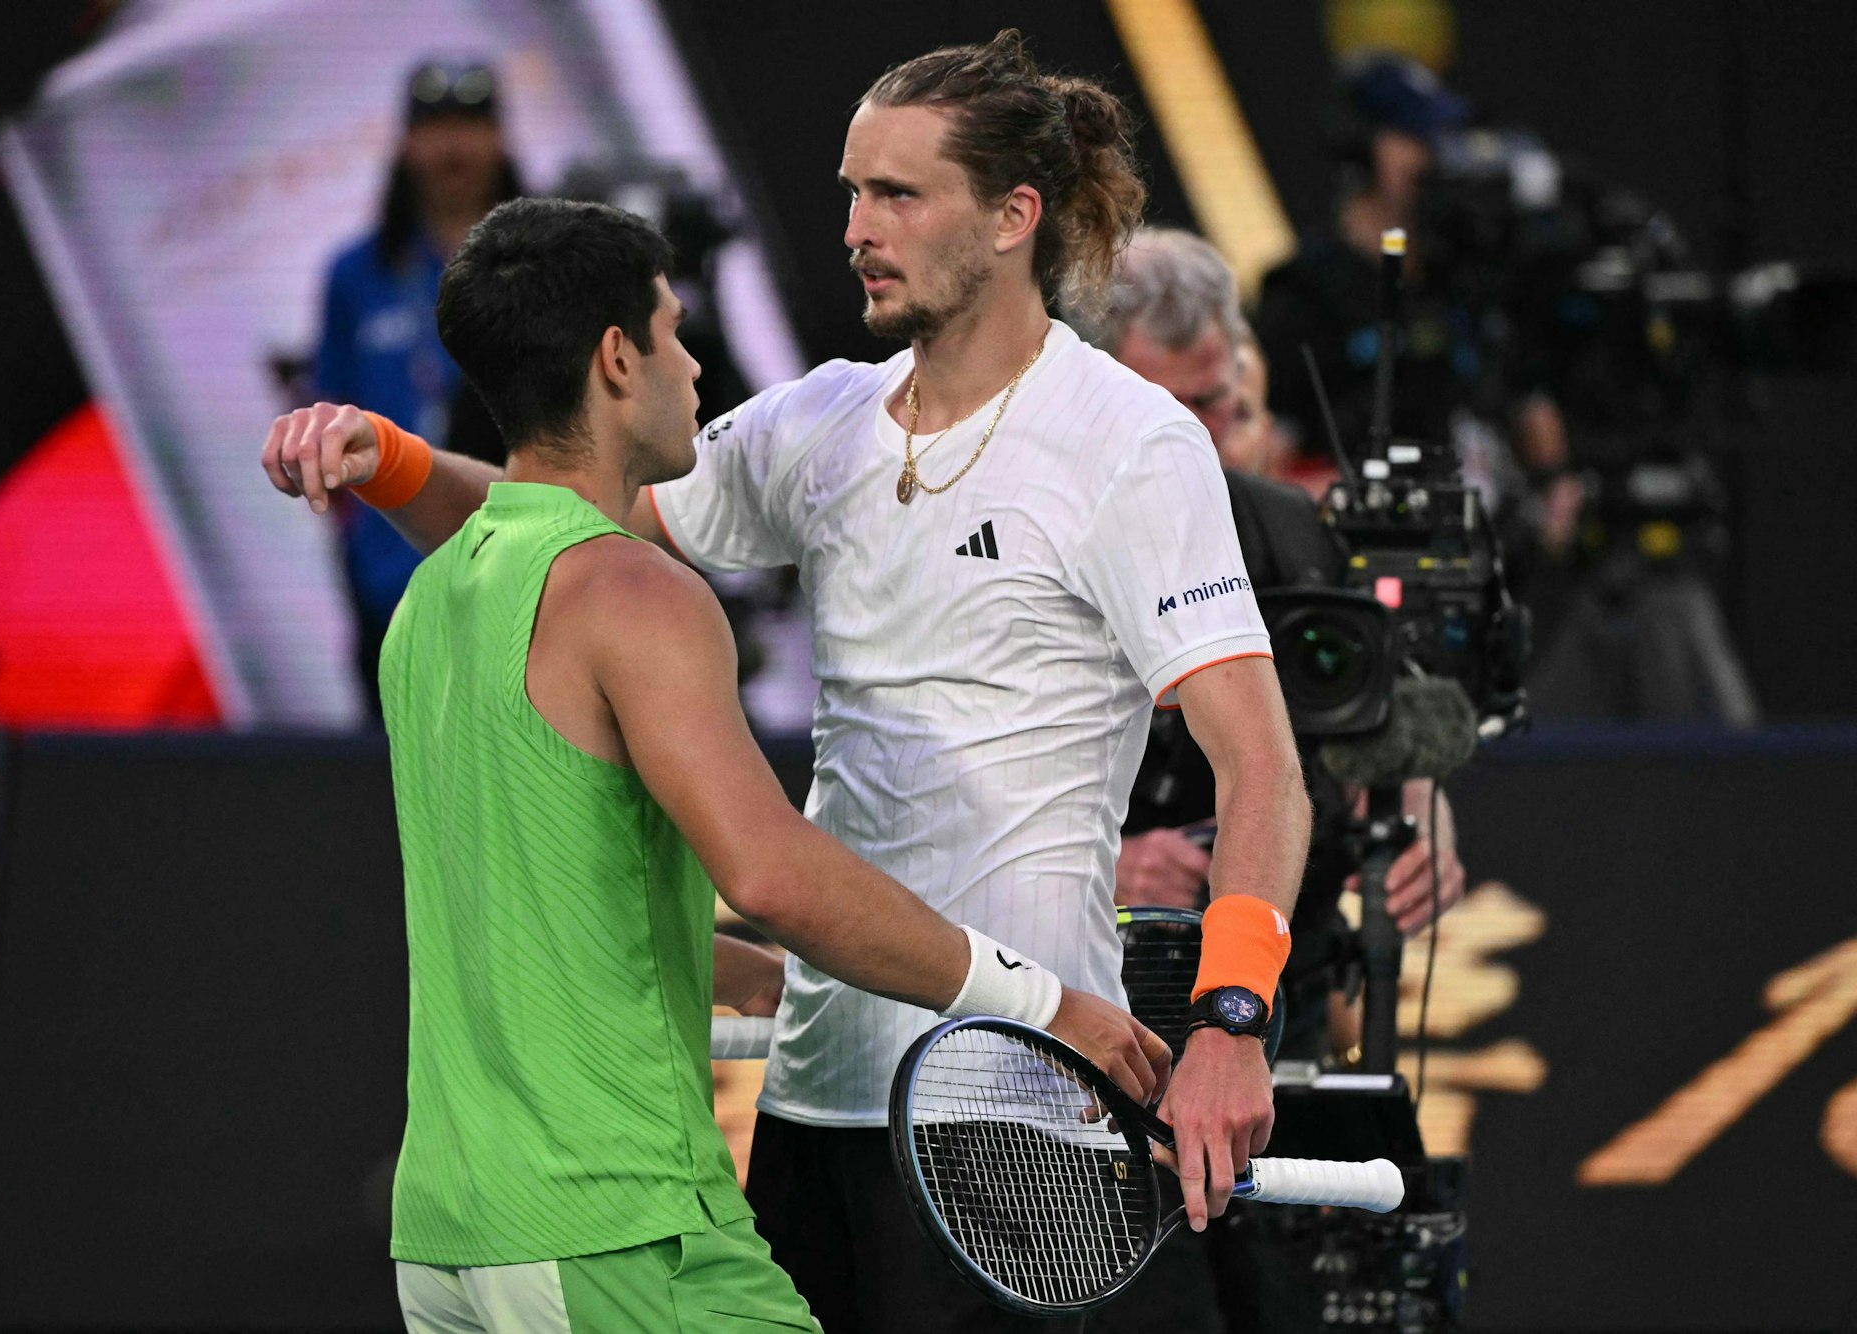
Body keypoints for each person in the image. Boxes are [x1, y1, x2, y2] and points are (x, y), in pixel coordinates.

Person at [266, 32, 1310, 1333]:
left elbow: (1260, 761)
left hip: (1008, 1100)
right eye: (850, 193)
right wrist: (393, 463)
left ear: (1010, 218)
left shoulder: (1134, 440)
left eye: (898, 195)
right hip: (816, 1102)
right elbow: (562, 533)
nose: (859, 229)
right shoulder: (817, 420)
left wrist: (1229, 1016)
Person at [1079, 227, 1467, 1332]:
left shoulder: (1286, 528)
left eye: (1222, 405)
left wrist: (1420, 810)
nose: (1206, 439)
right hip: (1067, 1051)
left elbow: (1397, 719)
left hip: (1263, 1031)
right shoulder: (1025, 542)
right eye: (1178, 409)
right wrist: (1105, 860)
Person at [315, 58, 526, 713]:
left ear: (500, 139)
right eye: (435, 127)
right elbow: (328, 420)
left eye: (471, 125)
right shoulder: (356, 277)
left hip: (524, 578)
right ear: (405, 143)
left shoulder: (548, 262)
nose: (453, 146)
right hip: (394, 578)